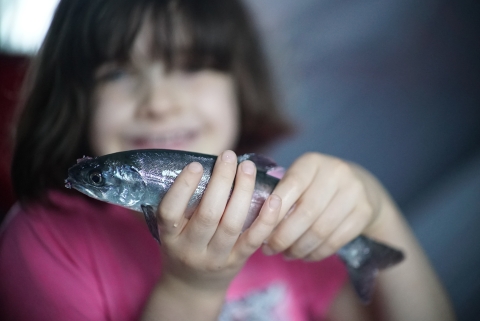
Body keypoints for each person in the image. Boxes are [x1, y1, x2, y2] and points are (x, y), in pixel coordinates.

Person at [0, 0, 456, 320]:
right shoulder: (41, 244)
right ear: (72, 97)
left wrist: (378, 212)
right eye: (116, 73)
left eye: (192, 65)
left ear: (240, 85)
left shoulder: (293, 204)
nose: (158, 102)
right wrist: (191, 290)